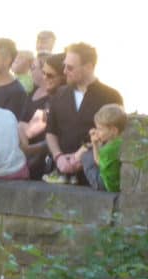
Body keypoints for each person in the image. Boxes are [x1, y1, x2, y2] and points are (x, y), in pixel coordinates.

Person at [45, 42, 123, 184]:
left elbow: (115, 135)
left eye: (70, 67)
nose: (64, 71)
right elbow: (51, 131)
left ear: (88, 67)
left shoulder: (111, 96)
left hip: (96, 177)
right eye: (64, 66)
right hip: (61, 175)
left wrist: (81, 157)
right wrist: (59, 157)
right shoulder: (60, 94)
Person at [71, 103, 125, 192]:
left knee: (86, 156)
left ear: (114, 130)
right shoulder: (119, 141)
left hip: (106, 185)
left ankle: (74, 174)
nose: (97, 131)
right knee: (89, 152)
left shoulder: (110, 149)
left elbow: (97, 161)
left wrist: (95, 144)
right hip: (116, 181)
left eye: (100, 129)